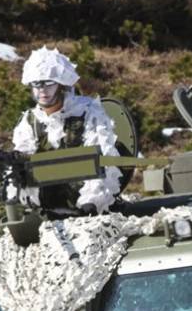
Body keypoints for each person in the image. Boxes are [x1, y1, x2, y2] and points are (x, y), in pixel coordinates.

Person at [9, 46, 121, 215]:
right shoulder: (29, 122)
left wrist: (91, 203)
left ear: (61, 85)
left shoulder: (88, 112)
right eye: (36, 84)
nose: (42, 90)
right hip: (47, 211)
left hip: (89, 207)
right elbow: (24, 162)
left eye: (48, 83)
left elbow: (104, 162)